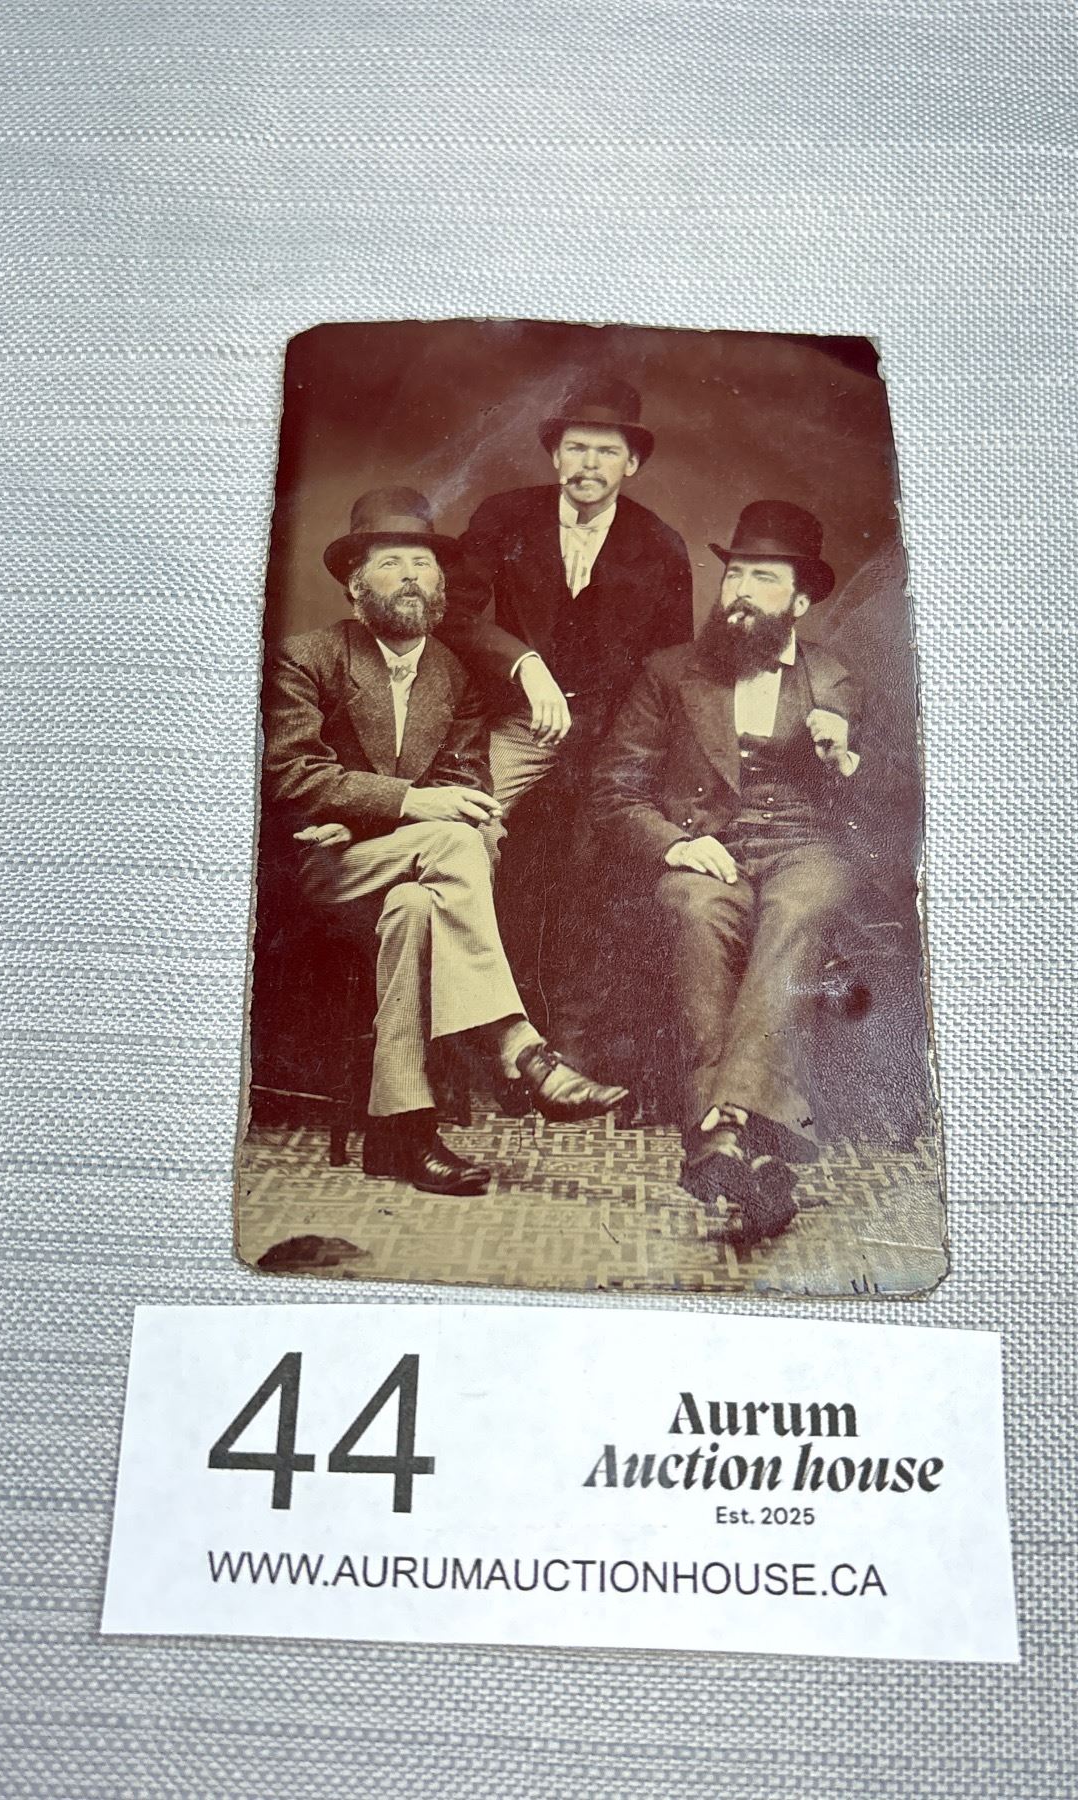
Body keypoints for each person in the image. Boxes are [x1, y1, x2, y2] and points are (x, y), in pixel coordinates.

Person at [261, 487, 626, 1197]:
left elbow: (464, 783)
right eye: (389, 562)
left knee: (416, 910)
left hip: (404, 876)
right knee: (457, 844)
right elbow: (293, 775)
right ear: (355, 586)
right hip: (324, 869)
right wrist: (408, 803)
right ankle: (520, 1047)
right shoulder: (306, 658)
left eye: (422, 564)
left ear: (443, 587)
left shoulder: (453, 676)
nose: (409, 577)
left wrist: (384, 811)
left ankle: (402, 1133)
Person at [593, 501, 863, 1244]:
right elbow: (613, 789)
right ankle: (759, 1150)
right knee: (696, 909)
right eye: (734, 574)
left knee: (796, 911)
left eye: (763, 578)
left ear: (800, 602)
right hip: (706, 848)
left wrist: (845, 759)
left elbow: (887, 801)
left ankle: (723, 1127)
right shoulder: (670, 672)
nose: (741, 591)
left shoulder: (835, 677)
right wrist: (674, 845)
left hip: (805, 850)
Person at [441, 376, 693, 809]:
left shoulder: (661, 544)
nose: (589, 464)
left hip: (618, 733)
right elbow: (449, 611)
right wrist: (524, 664)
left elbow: (674, 659)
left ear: (631, 463)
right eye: (576, 448)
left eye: (607, 451)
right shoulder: (506, 515)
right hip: (524, 718)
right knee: (468, 812)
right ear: (556, 456)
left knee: (622, 830)